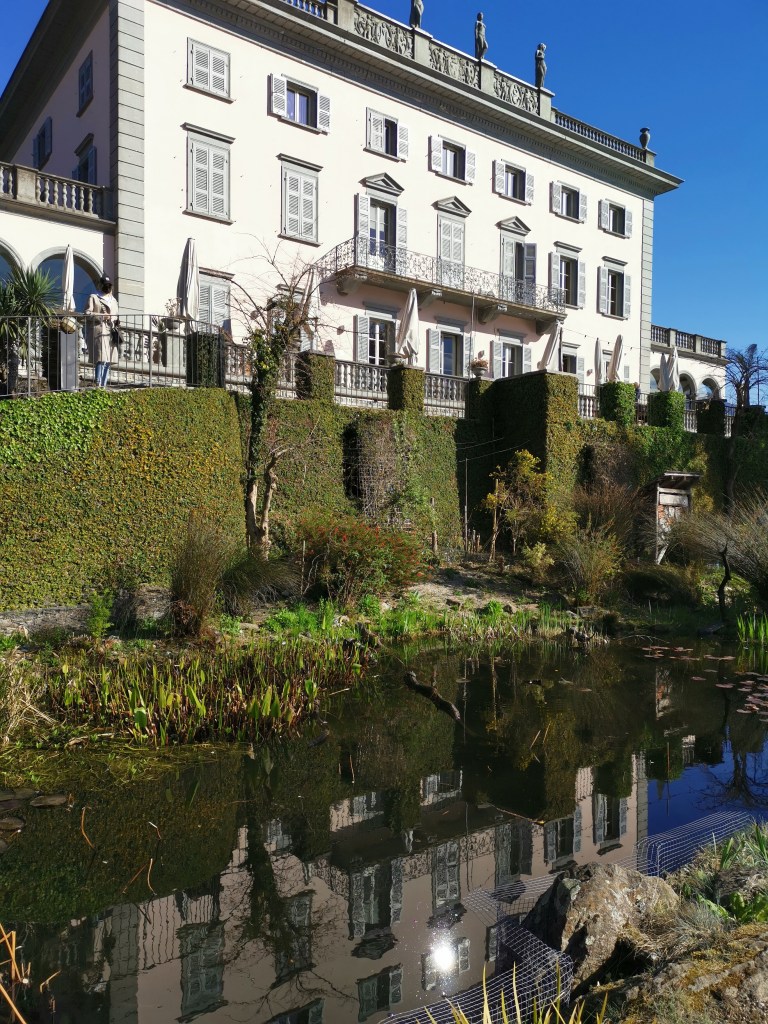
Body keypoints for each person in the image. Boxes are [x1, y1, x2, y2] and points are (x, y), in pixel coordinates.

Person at [86, 276, 119, 388]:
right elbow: (87, 313)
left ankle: (103, 385)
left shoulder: (114, 301)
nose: (108, 287)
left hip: (111, 331)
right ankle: (98, 382)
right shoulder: (94, 297)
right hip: (99, 330)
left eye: (109, 285)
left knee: (108, 359)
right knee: (101, 358)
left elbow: (116, 315)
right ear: (100, 285)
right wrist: (102, 316)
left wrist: (117, 322)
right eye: (106, 285)